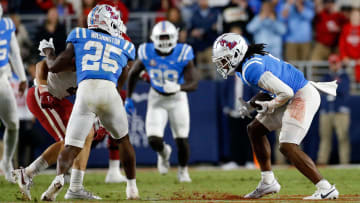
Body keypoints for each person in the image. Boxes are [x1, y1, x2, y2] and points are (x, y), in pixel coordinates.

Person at [212, 33, 339, 200]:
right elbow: (269, 89)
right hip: (292, 94)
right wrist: (250, 104)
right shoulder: (245, 66)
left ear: (236, 54)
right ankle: (268, 181)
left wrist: (270, 105)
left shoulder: (250, 68)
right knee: (255, 130)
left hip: (301, 95)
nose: (222, 64)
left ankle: (325, 188)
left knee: (287, 146)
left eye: (224, 59)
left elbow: (285, 92)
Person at [38, 4, 139, 201]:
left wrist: (48, 52)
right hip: (109, 89)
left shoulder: (80, 35)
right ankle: (132, 189)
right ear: (110, 22)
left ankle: (58, 180)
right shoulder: (124, 44)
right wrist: (113, 102)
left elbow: (55, 66)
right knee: (123, 141)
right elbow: (124, 75)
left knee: (72, 145)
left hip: (85, 91)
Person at [12, 60, 101, 200]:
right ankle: (28, 174)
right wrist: (43, 91)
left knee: (86, 133)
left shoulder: (102, 70)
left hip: (60, 100)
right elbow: (41, 64)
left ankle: (76, 187)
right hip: (43, 95)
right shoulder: (80, 57)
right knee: (70, 141)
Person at [126, 21, 198, 182]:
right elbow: (133, 73)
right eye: (161, 37)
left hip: (177, 99)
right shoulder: (147, 51)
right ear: (154, 38)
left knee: (181, 138)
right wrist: (129, 98)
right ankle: (164, 152)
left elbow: (193, 82)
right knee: (153, 139)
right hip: (157, 99)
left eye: (167, 37)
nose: (164, 40)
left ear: (175, 37)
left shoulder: (183, 52)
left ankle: (183, 171)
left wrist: (179, 87)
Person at [0, 4, 27, 183]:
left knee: (13, 124)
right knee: (13, 124)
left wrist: (22, 77)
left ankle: (7, 162)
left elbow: (15, 52)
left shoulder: (7, 24)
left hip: (2, 78)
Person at [317, 54, 351, 165]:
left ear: (339, 63)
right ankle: (322, 161)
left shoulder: (344, 76)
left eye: (335, 63)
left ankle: (344, 162)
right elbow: (322, 88)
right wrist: (333, 86)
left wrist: (330, 87)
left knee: (343, 138)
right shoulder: (327, 76)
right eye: (332, 63)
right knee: (325, 138)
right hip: (327, 111)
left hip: (340, 112)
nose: (334, 65)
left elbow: (343, 89)